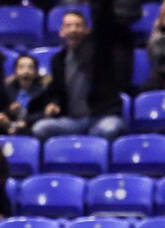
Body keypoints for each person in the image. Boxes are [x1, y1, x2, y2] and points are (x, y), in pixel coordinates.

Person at [31, 11, 127, 141]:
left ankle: (89, 145)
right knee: (40, 128)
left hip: (101, 117)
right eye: (68, 26)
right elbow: (56, 91)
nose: (73, 30)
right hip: (71, 121)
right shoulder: (58, 60)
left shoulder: (100, 54)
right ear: (61, 32)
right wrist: (53, 104)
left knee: (109, 129)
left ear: (87, 30)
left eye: (78, 25)